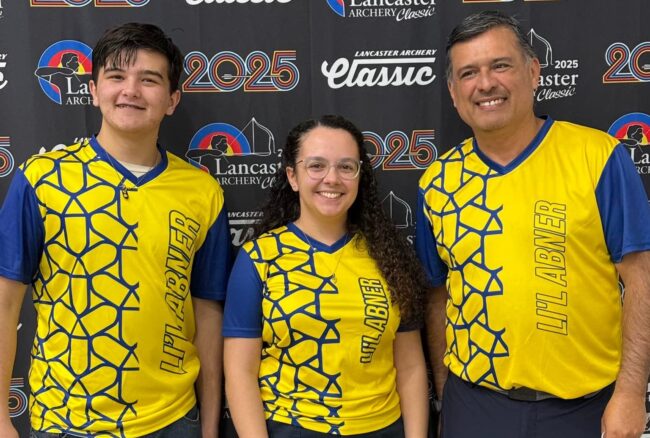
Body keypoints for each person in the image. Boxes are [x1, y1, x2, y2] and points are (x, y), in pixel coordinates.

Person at [416, 10, 650, 438]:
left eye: (500, 65)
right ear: (453, 92)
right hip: (475, 405)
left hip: (586, 407)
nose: (485, 84)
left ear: (533, 71)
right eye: (468, 73)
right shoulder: (437, 181)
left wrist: (632, 393)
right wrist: (447, 395)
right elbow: (437, 295)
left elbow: (641, 279)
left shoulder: (598, 157)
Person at [0, 22, 230, 438]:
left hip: (174, 420)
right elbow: (5, 304)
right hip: (66, 422)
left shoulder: (202, 191)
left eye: (149, 79)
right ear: (93, 90)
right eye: (117, 76)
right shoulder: (42, 178)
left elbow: (207, 315)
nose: (131, 90)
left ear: (172, 99)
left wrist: (210, 424)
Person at [223, 115, 429, 437]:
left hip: (382, 427)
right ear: (293, 176)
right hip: (292, 428)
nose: (332, 178)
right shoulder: (260, 257)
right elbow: (240, 371)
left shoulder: (389, 255)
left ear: (360, 176)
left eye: (346, 167)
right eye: (316, 166)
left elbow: (411, 366)